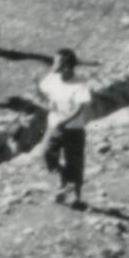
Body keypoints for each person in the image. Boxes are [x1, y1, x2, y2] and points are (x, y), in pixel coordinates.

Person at [33, 48, 95, 206]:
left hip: (74, 129)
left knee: (74, 161)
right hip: (54, 125)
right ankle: (63, 177)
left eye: (57, 63)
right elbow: (43, 93)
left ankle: (77, 198)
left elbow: (79, 109)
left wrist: (65, 121)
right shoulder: (52, 78)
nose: (53, 67)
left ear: (67, 67)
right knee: (46, 152)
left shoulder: (80, 84)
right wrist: (37, 88)